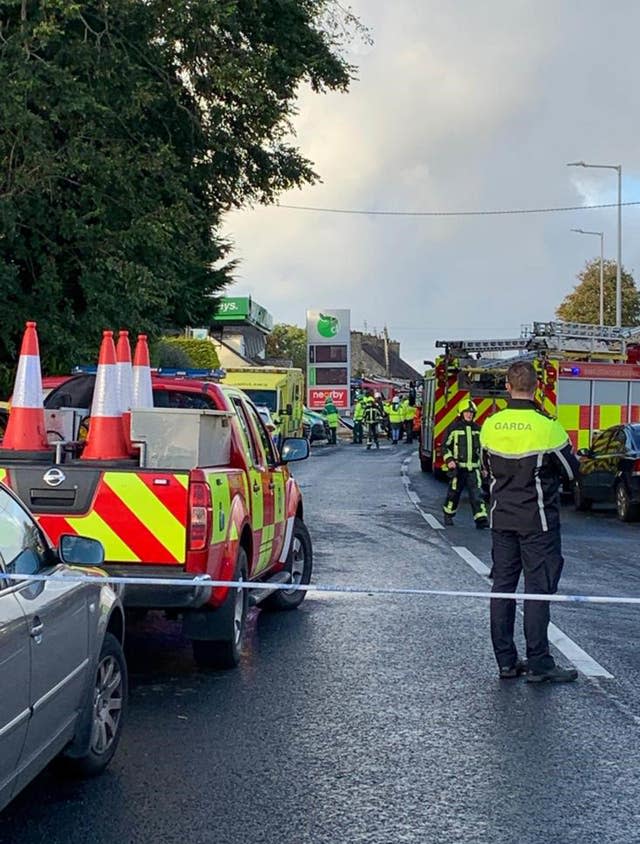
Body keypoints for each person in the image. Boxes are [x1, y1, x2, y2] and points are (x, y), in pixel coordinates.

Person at [480, 360, 579, 683]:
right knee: (537, 591)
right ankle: (539, 663)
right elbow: (571, 472)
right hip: (537, 522)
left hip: (501, 520)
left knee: (502, 589)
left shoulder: (491, 425)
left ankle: (507, 663)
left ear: (507, 387)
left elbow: (485, 471)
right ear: (537, 387)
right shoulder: (548, 427)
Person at [441, 399, 488, 528]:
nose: (469, 415)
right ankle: (448, 514)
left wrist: (484, 468)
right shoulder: (453, 428)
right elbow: (444, 446)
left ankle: (481, 519)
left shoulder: (478, 429)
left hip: (473, 468)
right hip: (458, 468)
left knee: (477, 494)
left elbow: (482, 451)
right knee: (454, 493)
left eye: (471, 413)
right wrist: (449, 460)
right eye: (467, 413)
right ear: (461, 413)